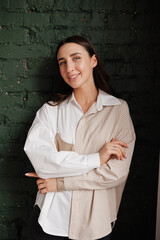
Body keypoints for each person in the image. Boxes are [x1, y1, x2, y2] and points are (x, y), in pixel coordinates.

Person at [24, 36, 136, 240]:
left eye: (76, 58)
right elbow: (42, 163)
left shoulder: (118, 110)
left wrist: (59, 183)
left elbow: (115, 174)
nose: (69, 68)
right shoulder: (50, 111)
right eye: (62, 62)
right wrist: (96, 159)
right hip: (49, 221)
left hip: (95, 225)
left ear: (93, 61)